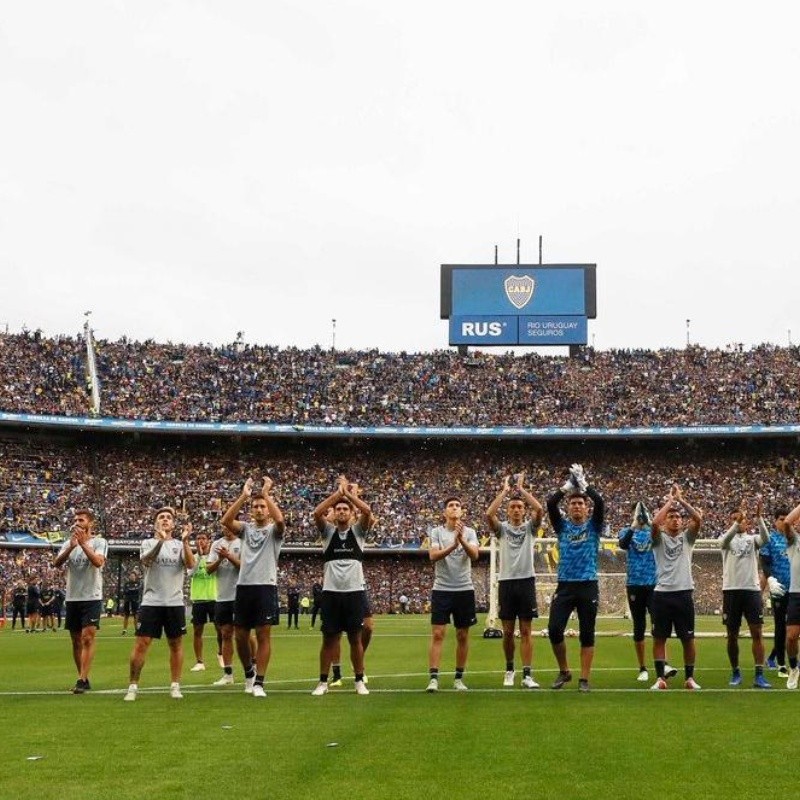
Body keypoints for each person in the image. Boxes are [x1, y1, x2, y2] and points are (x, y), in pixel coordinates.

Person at [221, 476, 285, 699]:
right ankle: (249, 671)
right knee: (240, 635)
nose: (259, 509)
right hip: (245, 586)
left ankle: (259, 682)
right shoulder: (246, 529)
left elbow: (280, 522)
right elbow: (226, 521)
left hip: (265, 586)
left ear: (267, 510)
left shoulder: (273, 532)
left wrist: (266, 494)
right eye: (255, 506)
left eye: (262, 507)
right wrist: (244, 496)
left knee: (263, 634)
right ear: (251, 511)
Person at [311, 476, 375, 697]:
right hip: (331, 593)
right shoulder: (328, 533)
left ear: (350, 514)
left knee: (355, 638)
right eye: (338, 509)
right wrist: (337, 495)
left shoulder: (358, 532)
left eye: (345, 509)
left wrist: (349, 495)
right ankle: (322, 681)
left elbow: (367, 512)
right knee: (329, 638)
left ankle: (359, 680)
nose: (341, 511)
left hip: (354, 592)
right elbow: (317, 513)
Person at [124, 507, 195, 701]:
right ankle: (133, 686)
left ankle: (175, 685)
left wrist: (186, 541)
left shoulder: (180, 545)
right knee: (142, 643)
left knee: (176, 644)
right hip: (151, 601)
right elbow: (146, 561)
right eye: (161, 517)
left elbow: (190, 565)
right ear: (156, 523)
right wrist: (160, 542)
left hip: (174, 601)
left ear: (173, 524)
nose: (165, 520)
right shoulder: (147, 542)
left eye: (168, 518)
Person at [545, 464, 604, 692]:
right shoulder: (562, 526)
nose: (577, 506)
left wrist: (584, 484)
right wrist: (567, 487)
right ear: (568, 508)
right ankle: (564, 671)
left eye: (581, 503)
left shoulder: (594, 526)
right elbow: (550, 504)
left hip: (588, 585)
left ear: (586, 509)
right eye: (573, 503)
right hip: (566, 585)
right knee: (554, 629)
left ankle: (584, 679)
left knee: (587, 632)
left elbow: (599, 502)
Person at [485, 472, 543, 689]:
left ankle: (527, 674)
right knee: (508, 632)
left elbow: (539, 510)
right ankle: (509, 669)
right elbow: (488, 514)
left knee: (526, 631)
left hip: (526, 581)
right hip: (507, 582)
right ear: (508, 511)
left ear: (523, 510)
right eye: (513, 507)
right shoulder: (502, 530)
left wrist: (522, 490)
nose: (517, 510)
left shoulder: (530, 528)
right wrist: (505, 492)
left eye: (520, 507)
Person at [649, 485, 703, 691]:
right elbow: (654, 522)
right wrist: (670, 502)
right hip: (662, 594)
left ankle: (689, 678)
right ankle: (660, 678)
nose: (675, 519)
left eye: (678, 517)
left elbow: (697, 519)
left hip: (683, 593)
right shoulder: (658, 538)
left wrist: (681, 501)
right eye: (671, 517)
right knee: (659, 638)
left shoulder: (687, 538)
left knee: (688, 638)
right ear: (666, 521)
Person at [617, 501, 677, 683]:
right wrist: (634, 525)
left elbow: (663, 535)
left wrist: (651, 522)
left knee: (658, 626)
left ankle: (663, 663)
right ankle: (642, 668)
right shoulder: (626, 531)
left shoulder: (653, 532)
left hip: (653, 584)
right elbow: (623, 544)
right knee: (639, 627)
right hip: (634, 584)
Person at [425, 495, 479, 693]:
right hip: (442, 589)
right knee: (438, 633)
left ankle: (458, 677)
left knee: (462, 635)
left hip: (464, 589)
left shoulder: (470, 532)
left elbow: (474, 555)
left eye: (457, 505)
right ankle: (433, 677)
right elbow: (433, 556)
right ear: (445, 512)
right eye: (451, 506)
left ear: (462, 511)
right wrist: (453, 545)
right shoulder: (437, 532)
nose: (454, 508)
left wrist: (462, 540)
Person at [53, 509, 108, 693]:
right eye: (75, 519)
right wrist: (71, 546)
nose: (77, 522)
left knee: (87, 638)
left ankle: (82, 679)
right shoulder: (69, 543)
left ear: (90, 523)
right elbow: (56, 563)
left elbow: (98, 562)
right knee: (76, 640)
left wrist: (84, 544)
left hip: (92, 596)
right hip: (73, 597)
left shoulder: (100, 542)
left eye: (81, 519)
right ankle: (82, 677)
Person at [720, 500, 770, 688]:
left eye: (740, 519)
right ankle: (735, 672)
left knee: (757, 632)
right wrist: (736, 522)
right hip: (731, 590)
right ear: (730, 522)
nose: (738, 522)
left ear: (747, 523)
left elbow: (766, 539)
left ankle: (759, 674)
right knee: (732, 634)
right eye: (733, 519)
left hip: (751, 590)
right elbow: (724, 540)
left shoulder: (752, 539)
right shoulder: (725, 540)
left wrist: (759, 518)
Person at [206, 524, 243, 686]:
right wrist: (220, 559)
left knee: (245, 634)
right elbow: (208, 570)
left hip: (241, 595)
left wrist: (228, 556)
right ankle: (228, 674)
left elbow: (244, 567)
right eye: (224, 526)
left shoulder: (243, 542)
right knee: (226, 634)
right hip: (222, 596)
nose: (226, 528)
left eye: (229, 525)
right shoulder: (216, 544)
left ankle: (253, 667)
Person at [759, 507, 791, 678]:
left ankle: (785, 656)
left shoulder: (795, 538)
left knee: (793, 628)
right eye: (781, 519)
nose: (784, 522)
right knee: (780, 626)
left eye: (787, 518)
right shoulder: (770, 540)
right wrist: (770, 579)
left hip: (796, 589)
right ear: (775, 521)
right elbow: (764, 562)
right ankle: (780, 663)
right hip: (779, 588)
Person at [188, 531, 218, 672]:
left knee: (221, 630)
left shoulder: (215, 557)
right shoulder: (193, 558)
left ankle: (222, 654)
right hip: (199, 599)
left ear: (209, 541)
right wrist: (199, 556)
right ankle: (199, 662)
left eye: (203, 538)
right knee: (197, 631)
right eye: (198, 538)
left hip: (214, 597)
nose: (201, 541)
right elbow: (191, 573)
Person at [780, 501, 800, 688]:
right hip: (796, 594)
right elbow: (787, 523)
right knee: (792, 636)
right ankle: (794, 668)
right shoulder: (795, 541)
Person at [121, 570, 141, 635]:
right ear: (129, 577)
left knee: (136, 615)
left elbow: (137, 590)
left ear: (135, 577)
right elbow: (124, 591)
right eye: (131, 576)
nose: (132, 577)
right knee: (126, 615)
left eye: (133, 576)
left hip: (135, 601)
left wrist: (130, 590)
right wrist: (132, 590)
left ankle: (137, 629)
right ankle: (124, 630)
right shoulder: (126, 584)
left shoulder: (138, 583)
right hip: (127, 601)